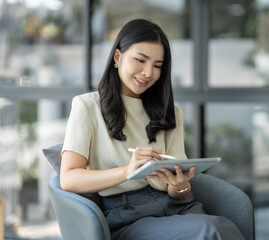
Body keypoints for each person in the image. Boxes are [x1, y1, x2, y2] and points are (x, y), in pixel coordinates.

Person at [60, 18, 244, 240]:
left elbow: (179, 191)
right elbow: (68, 179)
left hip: (176, 207)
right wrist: (129, 171)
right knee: (211, 231)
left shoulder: (171, 113)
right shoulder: (86, 106)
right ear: (118, 57)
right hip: (127, 216)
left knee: (223, 227)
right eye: (141, 60)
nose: (148, 73)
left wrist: (180, 185)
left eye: (157, 66)